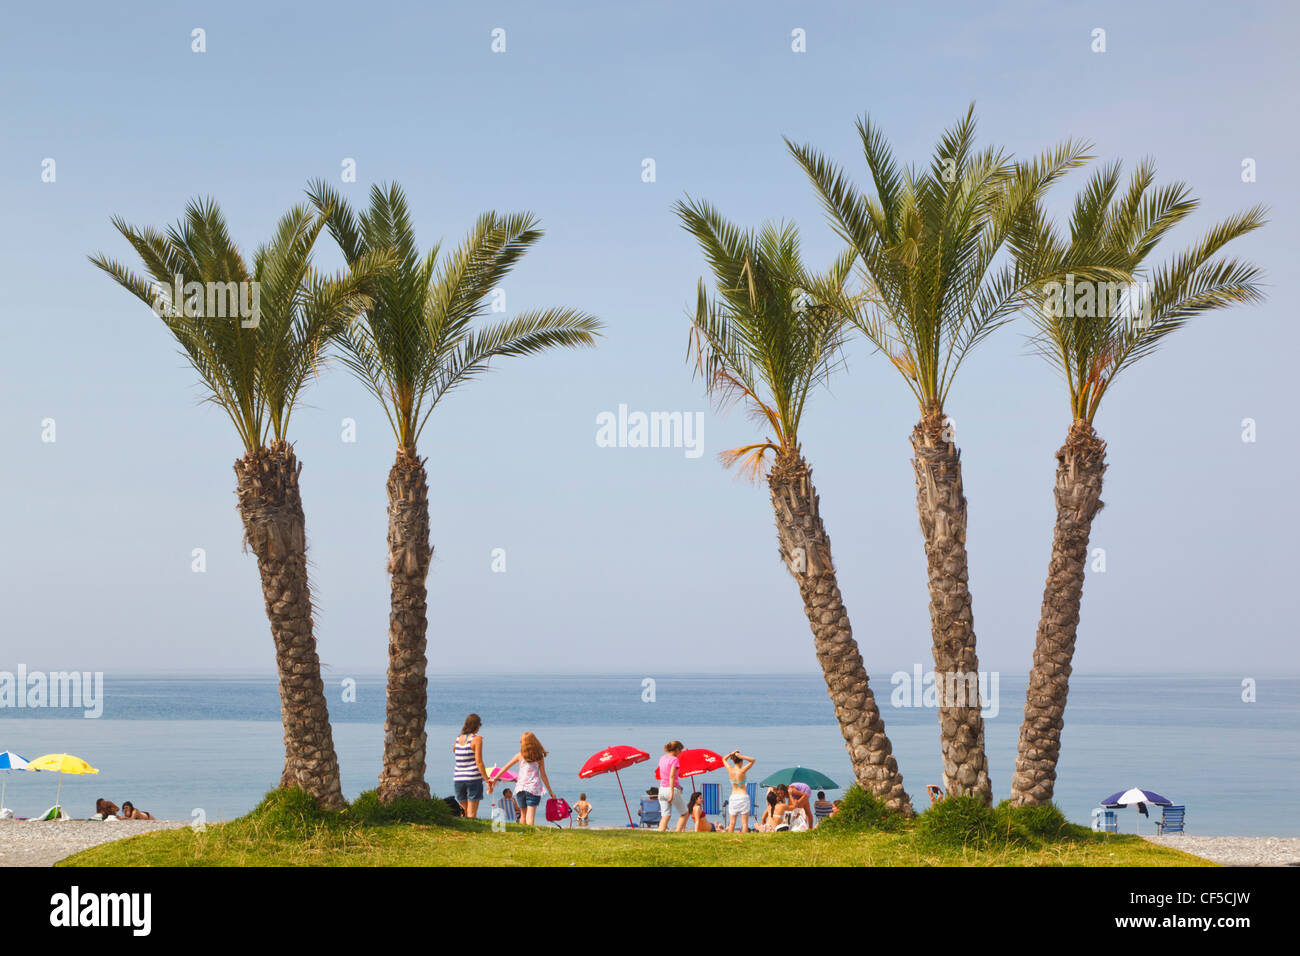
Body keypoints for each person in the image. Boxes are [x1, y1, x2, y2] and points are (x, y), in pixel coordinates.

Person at [496, 732, 556, 826]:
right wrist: (550, 791)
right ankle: (530, 835)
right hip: (533, 789)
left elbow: (505, 768)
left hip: (520, 788)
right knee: (530, 816)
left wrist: (495, 778)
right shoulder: (539, 757)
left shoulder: (520, 755)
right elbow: (543, 775)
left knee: (523, 815)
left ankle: (522, 834)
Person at [453, 713, 492, 819]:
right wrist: (487, 779)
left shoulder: (458, 738)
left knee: (463, 811)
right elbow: (479, 761)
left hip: (458, 778)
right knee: (472, 812)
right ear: (476, 725)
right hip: (473, 778)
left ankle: (465, 831)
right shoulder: (477, 739)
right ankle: (472, 829)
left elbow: (454, 750)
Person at [656, 741, 687, 832]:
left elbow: (663, 774)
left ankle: (660, 833)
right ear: (676, 749)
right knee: (684, 813)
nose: (680, 752)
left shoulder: (662, 758)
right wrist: (672, 792)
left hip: (661, 789)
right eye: (680, 750)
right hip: (670, 789)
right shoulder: (674, 760)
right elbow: (672, 776)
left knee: (665, 815)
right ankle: (677, 833)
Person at [724, 750, 756, 833]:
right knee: (744, 823)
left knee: (732, 823)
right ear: (741, 761)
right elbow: (753, 760)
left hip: (733, 797)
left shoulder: (730, 770)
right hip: (743, 797)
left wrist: (731, 753)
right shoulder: (742, 770)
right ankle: (743, 840)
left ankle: (730, 839)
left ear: (733, 761)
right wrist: (742, 756)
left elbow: (723, 759)